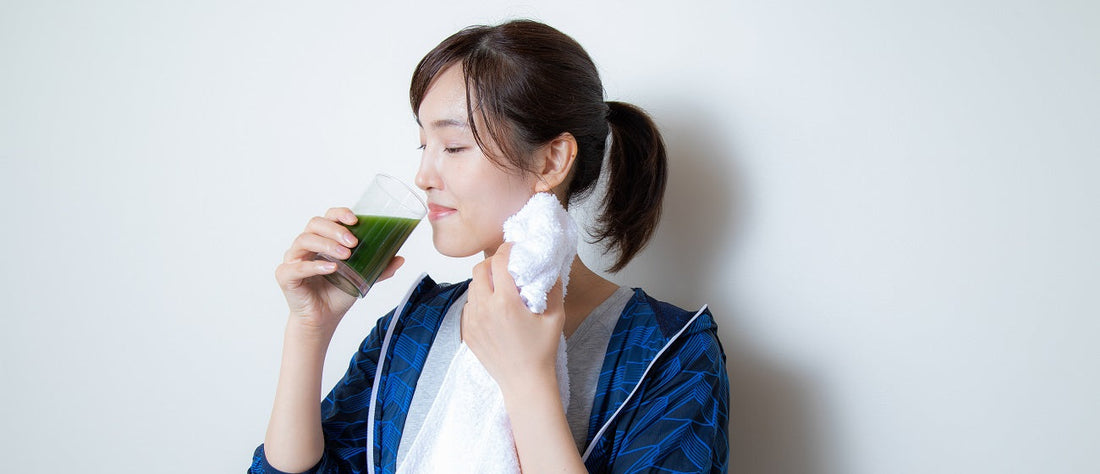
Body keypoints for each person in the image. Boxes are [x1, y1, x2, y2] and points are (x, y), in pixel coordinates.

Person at [250, 19, 729, 474]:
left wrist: (527, 379)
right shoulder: (411, 327)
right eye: (423, 146)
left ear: (552, 160)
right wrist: (309, 329)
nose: (424, 176)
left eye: (454, 147)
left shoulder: (672, 352)